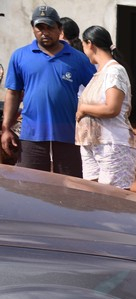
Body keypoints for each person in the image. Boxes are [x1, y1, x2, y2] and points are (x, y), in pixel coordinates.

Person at [1, 5, 95, 176]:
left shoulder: (77, 59)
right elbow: (13, 93)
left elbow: (96, 89)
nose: (44, 32)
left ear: (60, 29)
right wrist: (6, 128)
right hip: (32, 134)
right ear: (33, 28)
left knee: (69, 187)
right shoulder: (20, 56)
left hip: (69, 134)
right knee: (30, 187)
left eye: (50, 27)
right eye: (40, 27)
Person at [75, 25, 136, 189]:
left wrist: (83, 109)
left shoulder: (114, 71)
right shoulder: (100, 73)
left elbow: (112, 108)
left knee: (113, 201)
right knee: (93, 197)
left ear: (89, 44)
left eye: (83, 46)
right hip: (92, 143)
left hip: (112, 144)